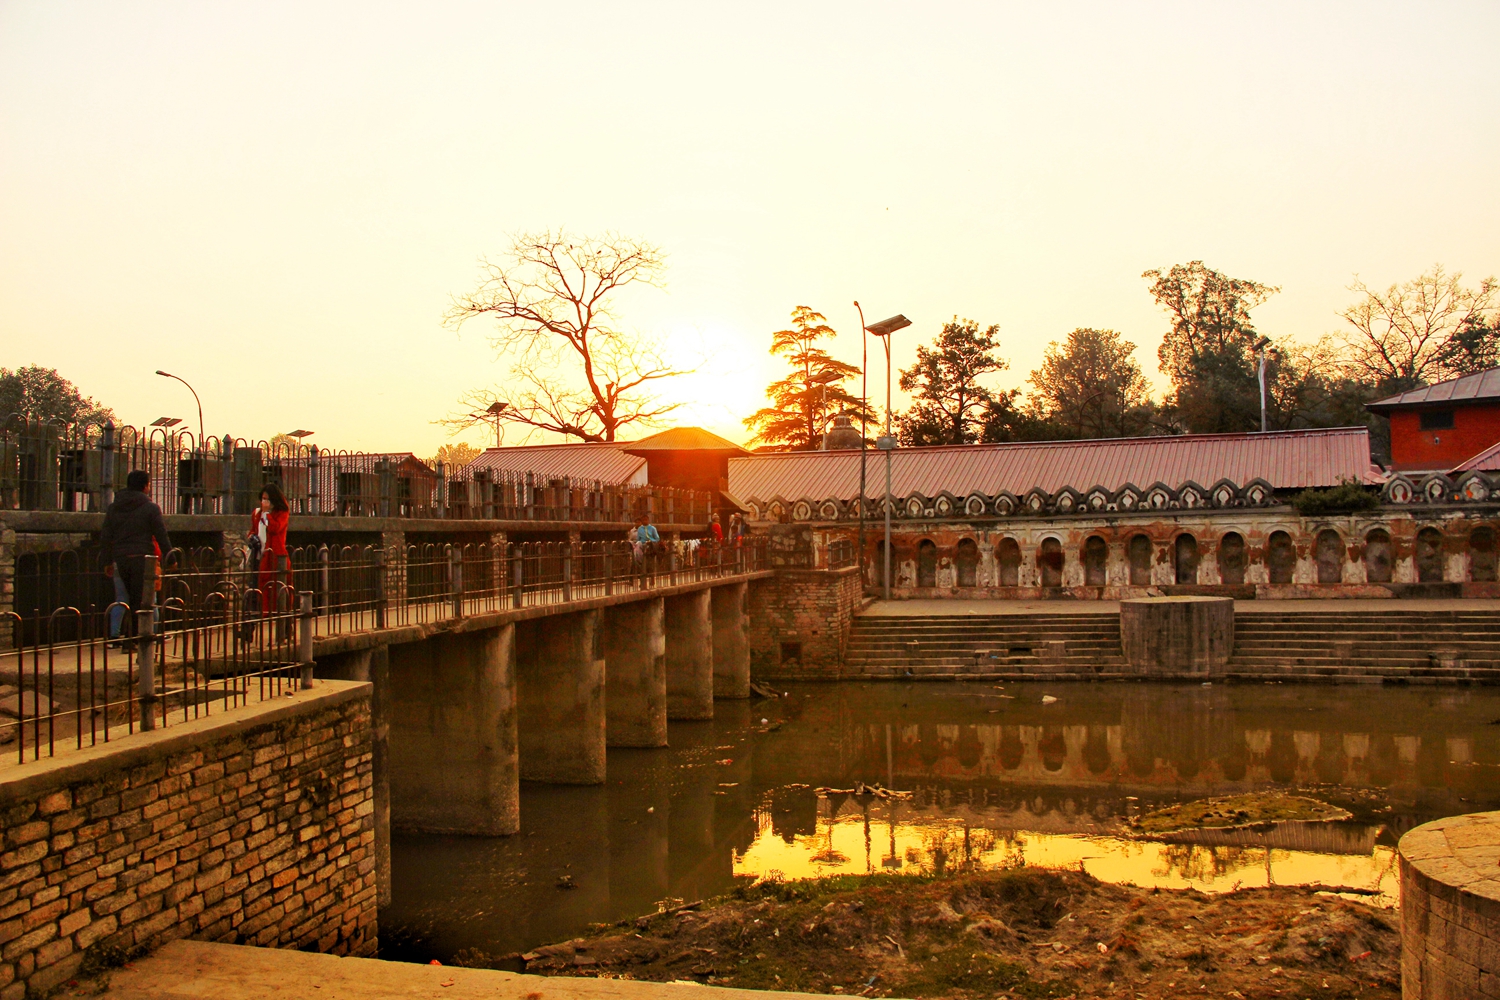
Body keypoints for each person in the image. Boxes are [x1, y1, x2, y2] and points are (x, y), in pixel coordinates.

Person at [101, 470, 172, 646]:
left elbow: (106, 536)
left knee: (125, 598)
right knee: (142, 600)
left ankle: (126, 637)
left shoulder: (114, 507)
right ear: (145, 486)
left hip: (121, 558)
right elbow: (161, 534)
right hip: (143, 558)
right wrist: (171, 558)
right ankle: (137, 638)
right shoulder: (150, 508)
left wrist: (107, 561)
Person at [242, 483, 292, 642]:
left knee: (279, 594)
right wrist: (251, 537)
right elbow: (253, 530)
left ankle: (285, 629)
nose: (264, 502)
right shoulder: (256, 514)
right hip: (260, 557)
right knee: (255, 593)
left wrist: (267, 515)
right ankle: (247, 630)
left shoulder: (281, 513)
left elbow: (276, 528)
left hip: (276, 558)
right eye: (263, 499)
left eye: (267, 499)